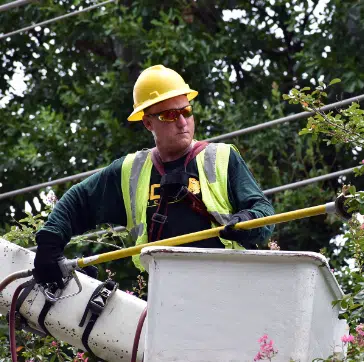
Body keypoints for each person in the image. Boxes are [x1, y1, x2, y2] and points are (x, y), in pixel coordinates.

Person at [34, 65, 275, 283]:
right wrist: (49, 245)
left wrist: (246, 221)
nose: (182, 122)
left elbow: (264, 214)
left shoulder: (222, 158)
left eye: (186, 111)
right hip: (169, 291)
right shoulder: (130, 171)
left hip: (231, 281)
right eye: (169, 115)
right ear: (148, 123)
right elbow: (78, 201)